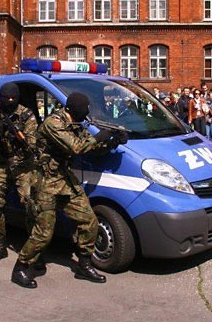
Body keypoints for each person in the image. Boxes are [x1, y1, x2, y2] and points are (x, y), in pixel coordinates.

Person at [11, 92, 128, 289]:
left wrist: (112, 141)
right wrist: (99, 136)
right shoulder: (53, 123)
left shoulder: (75, 124)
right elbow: (76, 147)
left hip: (64, 180)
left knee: (88, 220)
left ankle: (84, 264)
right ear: (75, 109)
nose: (88, 112)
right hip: (46, 182)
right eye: (86, 108)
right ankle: (21, 267)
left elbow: (91, 148)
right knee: (44, 232)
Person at [0, 82, 37, 264]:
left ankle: (34, 248)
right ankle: (0, 244)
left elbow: (33, 143)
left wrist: (19, 139)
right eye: (5, 99)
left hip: (22, 165)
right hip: (0, 164)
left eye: (13, 99)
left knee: (31, 205)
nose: (9, 102)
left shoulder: (26, 114)